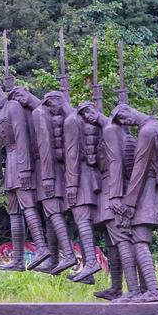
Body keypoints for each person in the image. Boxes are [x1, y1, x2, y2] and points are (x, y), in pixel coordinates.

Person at [0, 76, 50, 271]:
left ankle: (42, 248)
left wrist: (26, 168)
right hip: (9, 162)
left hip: (21, 159)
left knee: (28, 206)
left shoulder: (14, 107)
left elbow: (22, 138)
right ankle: (18, 260)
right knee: (13, 211)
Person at [8, 87, 77, 274]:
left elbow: (45, 148)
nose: (19, 100)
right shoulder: (36, 112)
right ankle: (54, 260)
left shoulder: (40, 112)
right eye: (15, 98)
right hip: (47, 169)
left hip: (47, 170)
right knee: (50, 215)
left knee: (53, 211)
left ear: (28, 92)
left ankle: (68, 256)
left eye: (20, 95)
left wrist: (47, 177)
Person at [78, 101, 141, 301]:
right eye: (83, 115)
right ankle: (116, 288)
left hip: (113, 190)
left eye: (88, 112)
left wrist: (115, 196)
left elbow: (116, 164)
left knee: (122, 240)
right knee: (113, 242)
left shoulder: (110, 130)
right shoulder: (111, 131)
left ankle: (133, 290)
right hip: (109, 187)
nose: (87, 117)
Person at [110, 104, 158, 302]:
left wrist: (129, 203)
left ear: (128, 111)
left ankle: (153, 291)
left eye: (123, 119)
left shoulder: (146, 131)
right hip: (154, 190)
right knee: (139, 239)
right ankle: (146, 291)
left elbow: (140, 169)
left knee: (139, 240)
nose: (125, 124)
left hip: (147, 191)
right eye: (120, 123)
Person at [44, 92, 102, 282]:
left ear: (58, 102)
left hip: (80, 178)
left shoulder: (70, 121)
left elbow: (72, 156)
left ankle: (91, 263)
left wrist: (71, 185)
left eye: (50, 105)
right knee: (82, 221)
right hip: (88, 176)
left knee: (82, 220)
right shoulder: (79, 119)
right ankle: (88, 271)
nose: (50, 110)